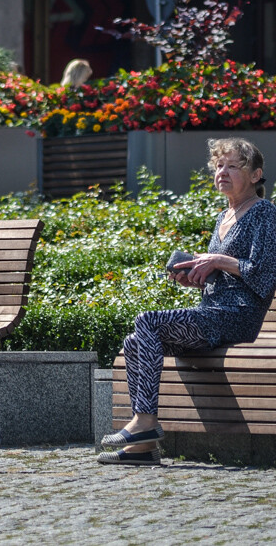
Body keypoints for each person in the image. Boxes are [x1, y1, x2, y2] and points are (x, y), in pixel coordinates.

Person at [98, 138, 276, 465]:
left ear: (255, 175)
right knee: (136, 340)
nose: (222, 172)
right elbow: (223, 277)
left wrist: (217, 261)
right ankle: (143, 449)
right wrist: (195, 274)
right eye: (219, 166)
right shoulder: (224, 215)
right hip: (211, 315)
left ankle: (146, 423)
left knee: (147, 320)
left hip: (237, 317)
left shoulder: (264, 213)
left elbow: (264, 277)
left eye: (233, 166)